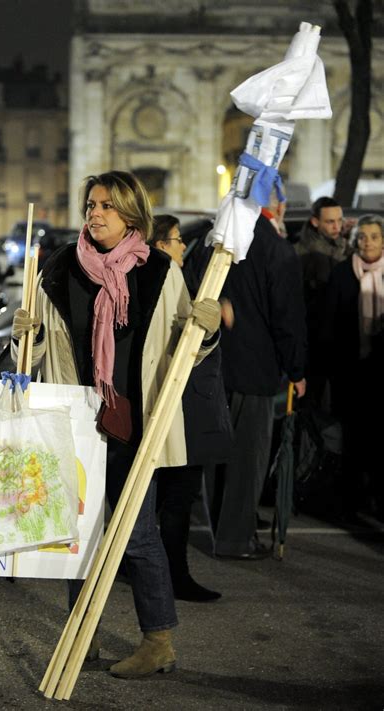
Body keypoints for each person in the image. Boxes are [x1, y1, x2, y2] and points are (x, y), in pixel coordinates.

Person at [11, 171, 222, 679]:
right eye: (90, 205)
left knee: (138, 534)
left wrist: (208, 331)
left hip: (135, 423)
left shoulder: (158, 272)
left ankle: (158, 643)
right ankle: (80, 637)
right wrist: (27, 334)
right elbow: (37, 352)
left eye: (106, 205)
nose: (95, 213)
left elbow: (182, 352)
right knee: (77, 533)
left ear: (131, 213)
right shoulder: (61, 269)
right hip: (75, 419)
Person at [211, 192, 307, 560]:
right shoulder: (277, 250)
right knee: (248, 460)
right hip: (257, 368)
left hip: (221, 366)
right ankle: (237, 538)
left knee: (220, 458)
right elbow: (289, 319)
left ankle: (223, 526)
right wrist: (297, 369)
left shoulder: (226, 239)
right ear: (278, 206)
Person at [150, 214, 233, 602]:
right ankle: (173, 575)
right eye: (178, 239)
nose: (184, 245)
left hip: (181, 405)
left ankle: (161, 571)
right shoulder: (166, 282)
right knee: (177, 497)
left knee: (171, 497)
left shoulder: (174, 278)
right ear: (162, 245)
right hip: (179, 407)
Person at [321, 214, 384, 523]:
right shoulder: (343, 274)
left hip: (381, 372)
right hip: (350, 371)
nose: (367, 242)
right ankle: (350, 502)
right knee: (352, 439)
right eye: (362, 237)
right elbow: (329, 326)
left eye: (373, 236)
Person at [294, 197, 352, 409]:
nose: (337, 226)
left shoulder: (344, 247)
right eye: (330, 222)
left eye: (339, 220)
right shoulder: (304, 255)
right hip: (315, 343)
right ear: (315, 222)